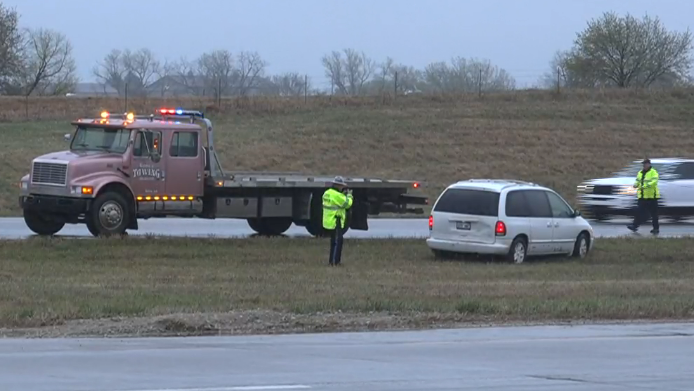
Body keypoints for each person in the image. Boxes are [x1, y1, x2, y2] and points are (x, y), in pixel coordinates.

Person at [322, 176, 353, 266]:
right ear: (339, 186)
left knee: (334, 241)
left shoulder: (327, 193)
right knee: (337, 242)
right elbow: (347, 204)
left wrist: (342, 195)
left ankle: (333, 261)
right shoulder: (337, 195)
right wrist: (349, 195)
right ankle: (334, 262)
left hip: (329, 220)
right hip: (336, 220)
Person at [627, 158, 660, 234]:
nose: (644, 165)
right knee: (639, 212)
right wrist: (635, 185)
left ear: (649, 164)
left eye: (646, 164)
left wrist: (645, 186)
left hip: (652, 197)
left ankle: (656, 229)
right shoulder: (640, 173)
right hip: (642, 197)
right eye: (643, 164)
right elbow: (638, 180)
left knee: (654, 214)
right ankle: (634, 226)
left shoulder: (653, 172)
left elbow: (654, 182)